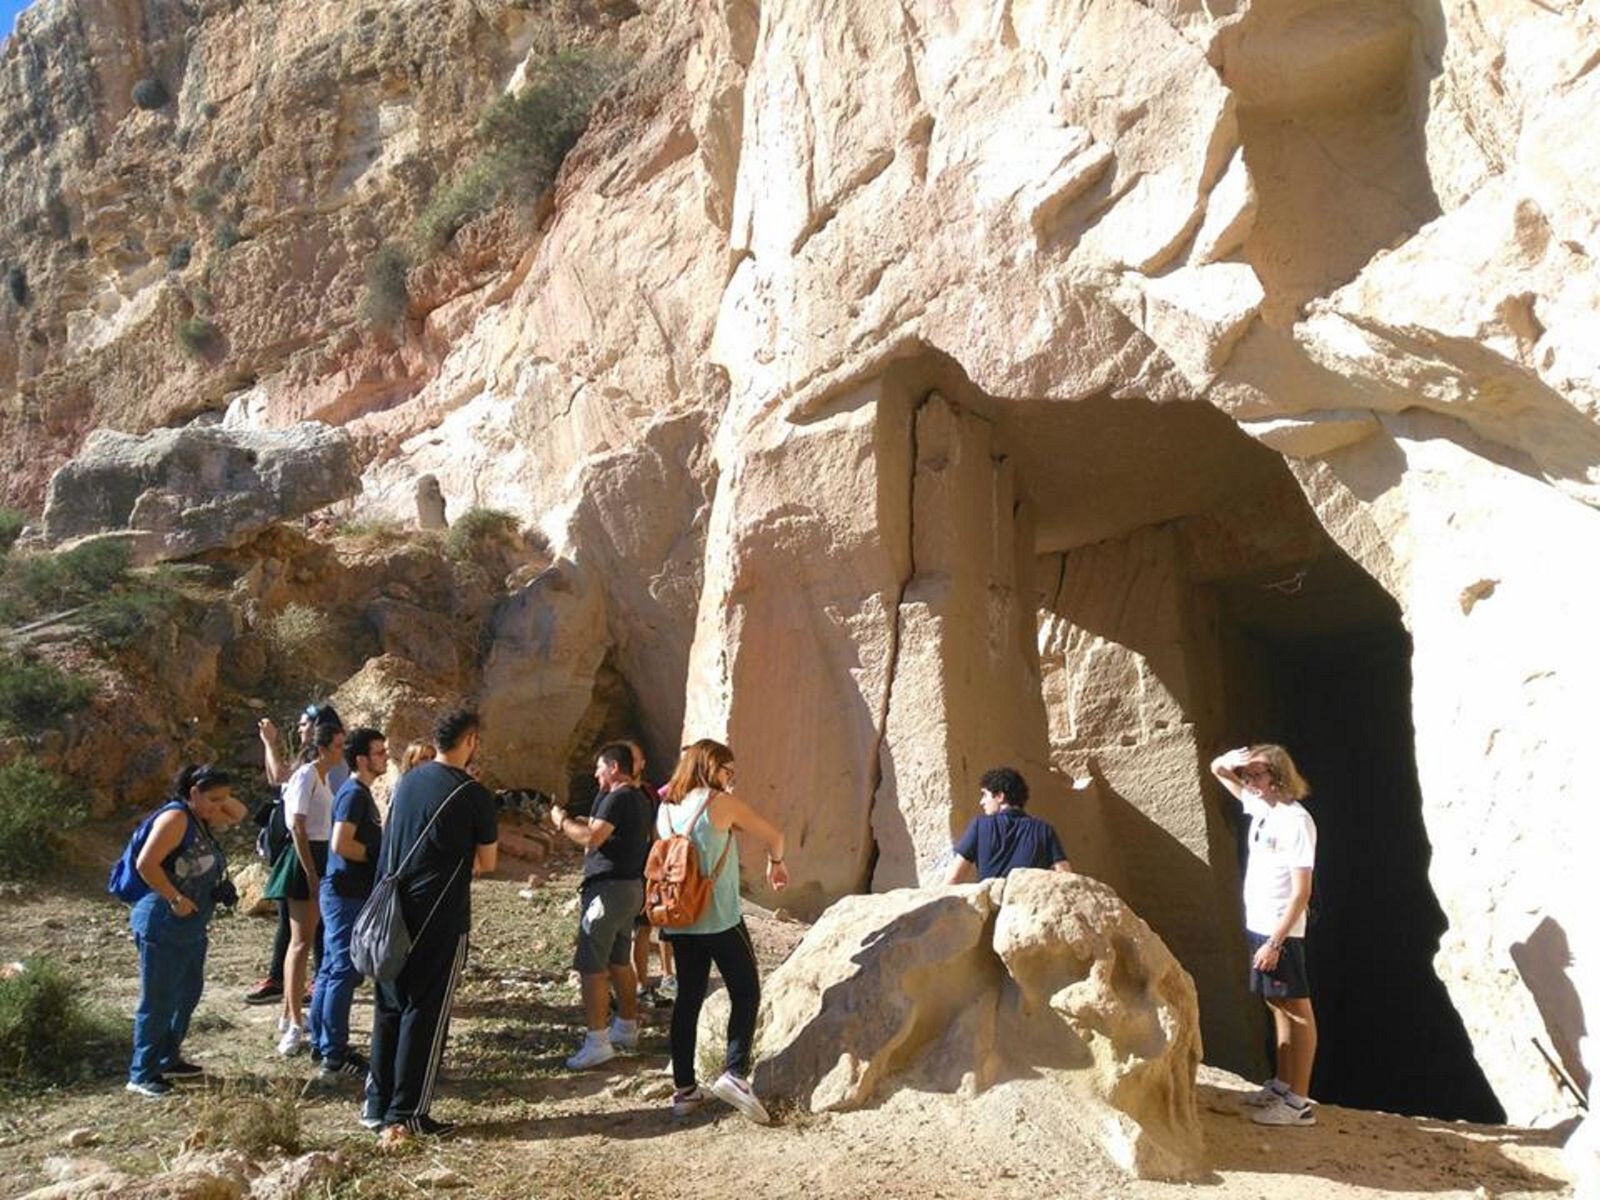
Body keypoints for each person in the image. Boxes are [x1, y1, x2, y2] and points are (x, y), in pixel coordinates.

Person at [366, 708, 498, 1143]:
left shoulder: (409, 781)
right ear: (471, 741)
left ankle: (377, 1103)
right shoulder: (473, 794)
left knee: (389, 1005)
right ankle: (408, 1114)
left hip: (390, 910)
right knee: (425, 1012)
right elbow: (488, 862)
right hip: (438, 918)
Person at [656, 738, 788, 1124]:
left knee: (688, 999)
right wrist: (776, 863)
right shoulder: (718, 803)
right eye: (727, 771)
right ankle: (734, 1072)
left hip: (680, 920)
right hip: (720, 918)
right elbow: (773, 835)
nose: (731, 780)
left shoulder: (664, 809)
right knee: (746, 989)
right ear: (710, 767)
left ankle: (684, 1091)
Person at [1211, 743, 1319, 1127]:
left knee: (1298, 1010)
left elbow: (1301, 891)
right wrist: (1233, 762)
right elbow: (1217, 770)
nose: (1248, 781)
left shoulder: (1296, 820)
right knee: (1277, 1004)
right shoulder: (1262, 809)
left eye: (1255, 774)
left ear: (1278, 778)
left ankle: (1298, 1104)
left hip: (1280, 930)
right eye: (1248, 775)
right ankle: (1282, 1086)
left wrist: (1276, 941)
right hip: (1259, 924)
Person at [126, 765, 243, 1098]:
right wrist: (175, 898)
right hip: (163, 919)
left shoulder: (200, 818)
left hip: (191, 923)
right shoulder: (175, 819)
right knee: (159, 997)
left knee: (187, 991)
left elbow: (239, 814)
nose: (219, 806)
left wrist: (218, 799)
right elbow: (146, 863)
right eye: (212, 798)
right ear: (192, 793)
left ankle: (167, 1057)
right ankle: (142, 1071)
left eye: (222, 798)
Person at [550, 743, 654, 1070]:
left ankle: (597, 1040)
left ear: (613, 767)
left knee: (591, 965)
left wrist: (561, 820)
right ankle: (626, 1026)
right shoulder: (639, 798)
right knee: (619, 960)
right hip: (629, 890)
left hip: (607, 893)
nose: (595, 774)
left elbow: (592, 837)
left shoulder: (620, 797)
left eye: (599, 768)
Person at [245, 704, 347, 1006]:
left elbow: (279, 775)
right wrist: (269, 745)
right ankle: (287, 983)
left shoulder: (325, 768)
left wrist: (269, 742)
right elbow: (275, 777)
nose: (300, 729)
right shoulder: (309, 768)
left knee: (311, 922)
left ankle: (305, 982)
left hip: (316, 848)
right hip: (302, 850)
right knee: (295, 920)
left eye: (305, 725)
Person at [310, 726, 386, 1080]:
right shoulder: (354, 794)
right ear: (362, 760)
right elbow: (341, 844)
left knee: (331, 967)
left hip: (344, 892)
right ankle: (334, 1055)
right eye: (379, 752)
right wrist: (376, 856)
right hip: (345, 894)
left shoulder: (358, 793)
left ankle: (323, 1042)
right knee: (343, 970)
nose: (385, 757)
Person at [273, 720, 344, 1057]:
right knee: (300, 942)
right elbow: (298, 826)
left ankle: (292, 1015)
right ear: (322, 748)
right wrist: (312, 874)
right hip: (307, 857)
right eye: (338, 746)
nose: (341, 752)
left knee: (309, 938)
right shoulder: (305, 775)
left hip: (321, 853)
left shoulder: (323, 777)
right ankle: (293, 1021)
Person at [943, 766, 1071, 883]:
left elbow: (953, 878)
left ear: (1000, 796)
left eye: (985, 795)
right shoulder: (1044, 830)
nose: (981, 802)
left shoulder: (979, 826)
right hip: (1030, 905)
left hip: (994, 907)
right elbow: (1065, 876)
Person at [625, 739, 676, 1006]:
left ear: (642, 763)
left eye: (633, 758)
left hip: (644, 869)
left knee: (643, 929)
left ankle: (641, 984)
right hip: (621, 871)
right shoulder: (612, 793)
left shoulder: (649, 794)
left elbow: (656, 832)